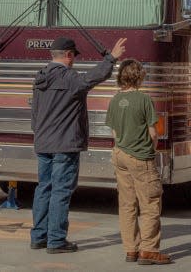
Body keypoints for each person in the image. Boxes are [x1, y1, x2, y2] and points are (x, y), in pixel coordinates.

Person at [30, 36, 126, 254]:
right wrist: (111, 58)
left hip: (43, 142)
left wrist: (40, 134)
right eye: (73, 56)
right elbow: (93, 78)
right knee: (61, 191)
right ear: (69, 55)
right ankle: (56, 241)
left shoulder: (40, 77)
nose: (74, 60)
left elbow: (34, 114)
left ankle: (38, 237)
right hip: (65, 144)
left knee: (44, 188)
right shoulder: (69, 78)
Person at [106, 59, 171, 265]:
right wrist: (150, 151)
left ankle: (131, 250)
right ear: (139, 76)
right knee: (150, 203)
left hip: (120, 154)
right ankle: (149, 250)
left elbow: (114, 132)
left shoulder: (115, 100)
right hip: (140, 157)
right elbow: (153, 133)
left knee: (127, 205)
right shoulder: (144, 100)